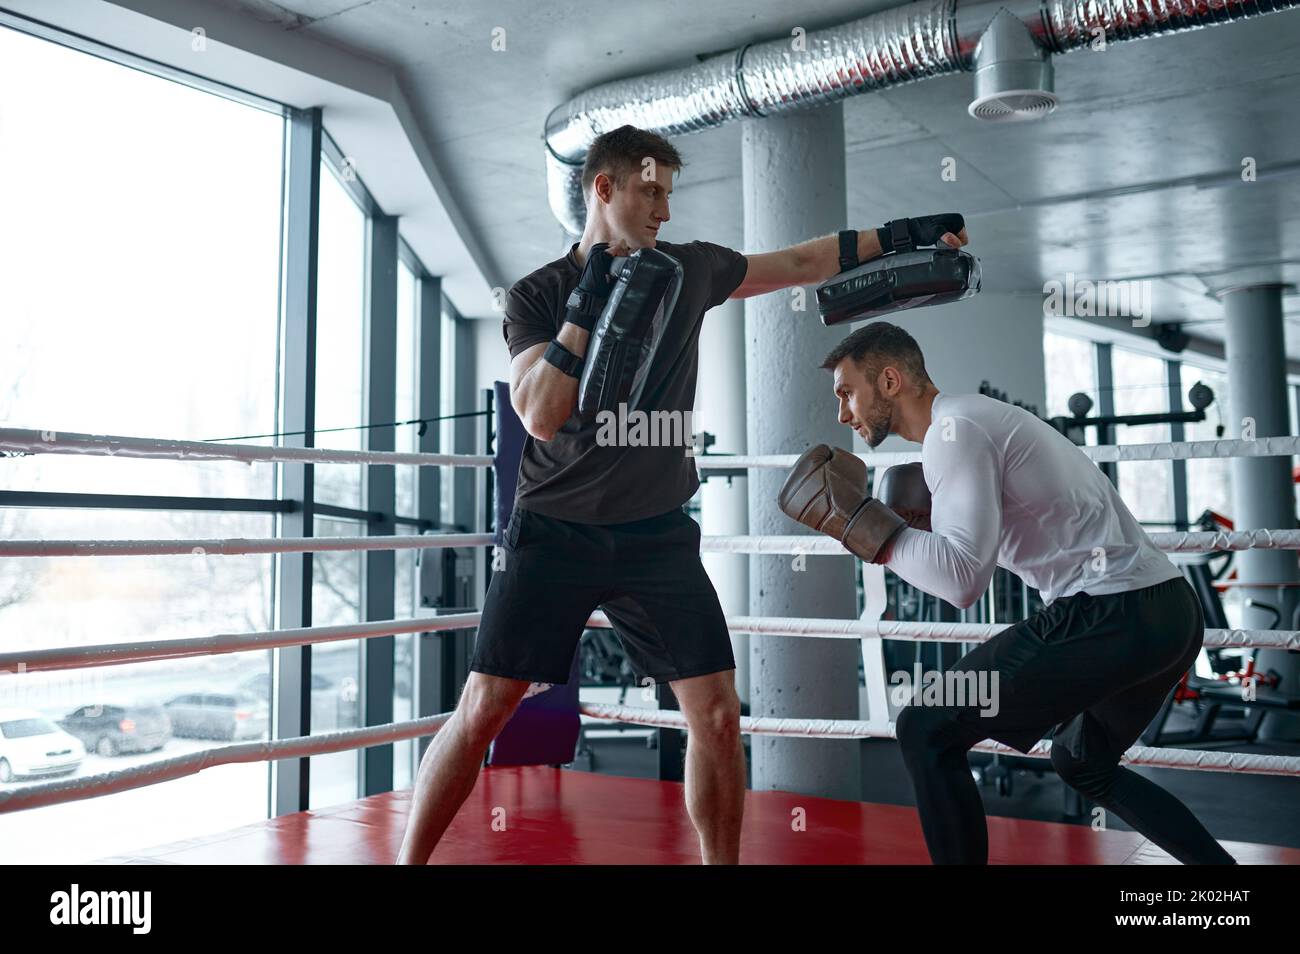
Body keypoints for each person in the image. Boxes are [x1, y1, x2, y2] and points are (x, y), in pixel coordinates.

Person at [396, 122, 968, 864]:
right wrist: (588, 307)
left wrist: (900, 236)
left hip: (655, 534)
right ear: (604, 188)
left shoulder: (689, 270)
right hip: (555, 530)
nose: (664, 209)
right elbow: (539, 414)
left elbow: (799, 261)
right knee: (484, 710)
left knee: (717, 714)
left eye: (670, 193)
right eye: (650, 191)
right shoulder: (540, 294)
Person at [781, 321, 1236, 865]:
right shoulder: (967, 424)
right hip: (1168, 611)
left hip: (1110, 610)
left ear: (889, 380)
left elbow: (961, 582)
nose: (842, 414)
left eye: (846, 392)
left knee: (925, 727)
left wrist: (863, 528)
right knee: (1081, 760)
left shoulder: (956, 432)